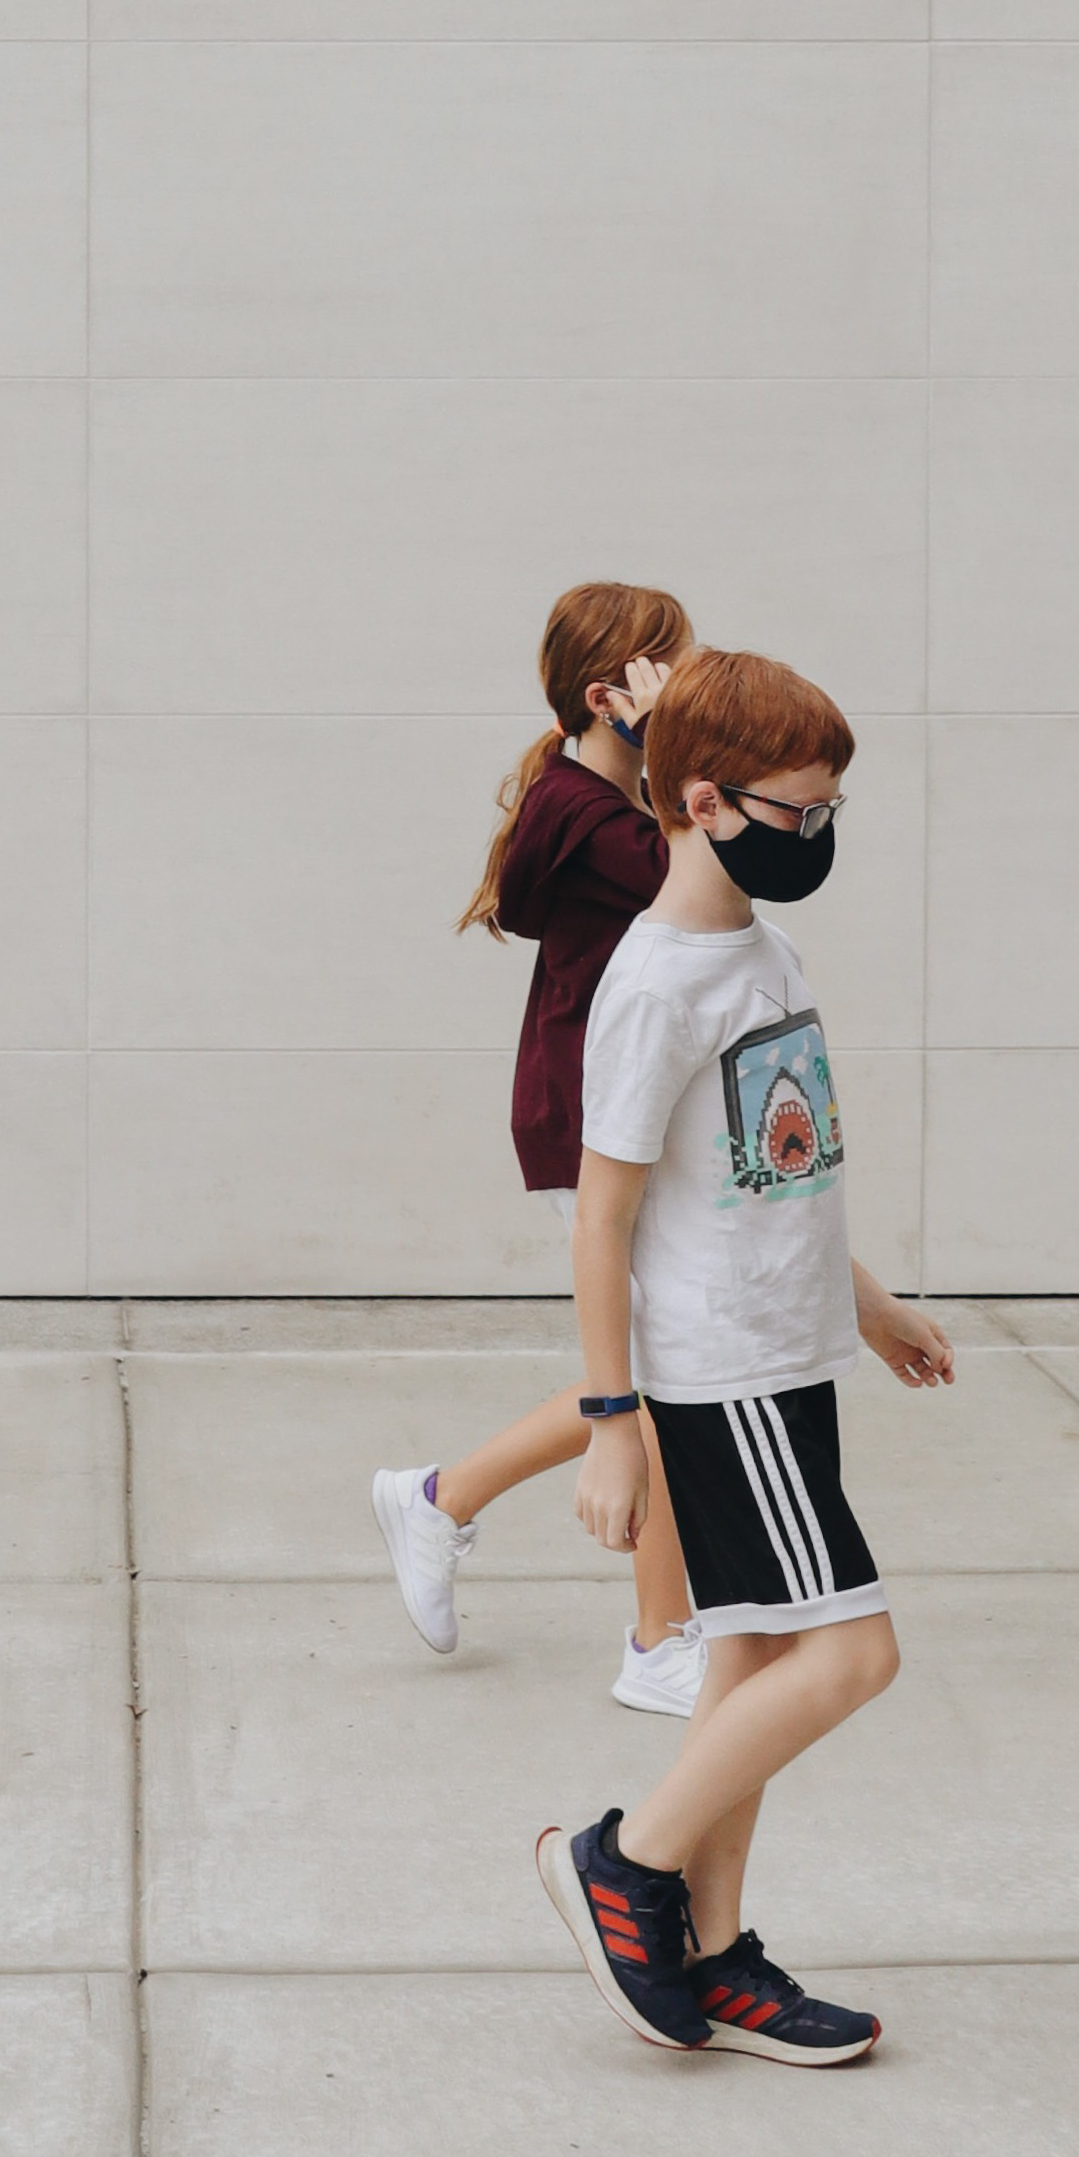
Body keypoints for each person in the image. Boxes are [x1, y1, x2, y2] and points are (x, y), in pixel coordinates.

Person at [535, 643, 958, 2059]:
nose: (818, 837)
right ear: (706, 802)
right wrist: (610, 1420)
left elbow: (772, 1176)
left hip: (793, 1353)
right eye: (800, 815)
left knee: (752, 1658)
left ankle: (716, 1956)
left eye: (832, 811)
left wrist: (870, 1304)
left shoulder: (762, 954)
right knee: (855, 1654)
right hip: (723, 1379)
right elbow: (606, 1218)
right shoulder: (658, 987)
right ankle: (628, 1863)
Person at [372, 580, 707, 1715]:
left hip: (614, 1108)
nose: (691, 687)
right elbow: (708, 884)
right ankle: (661, 1643)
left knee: (663, 1372)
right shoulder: (596, 819)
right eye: (669, 674)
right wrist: (676, 752)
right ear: (610, 696)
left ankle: (441, 1497)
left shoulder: (590, 796)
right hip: (591, 1117)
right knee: (664, 1381)